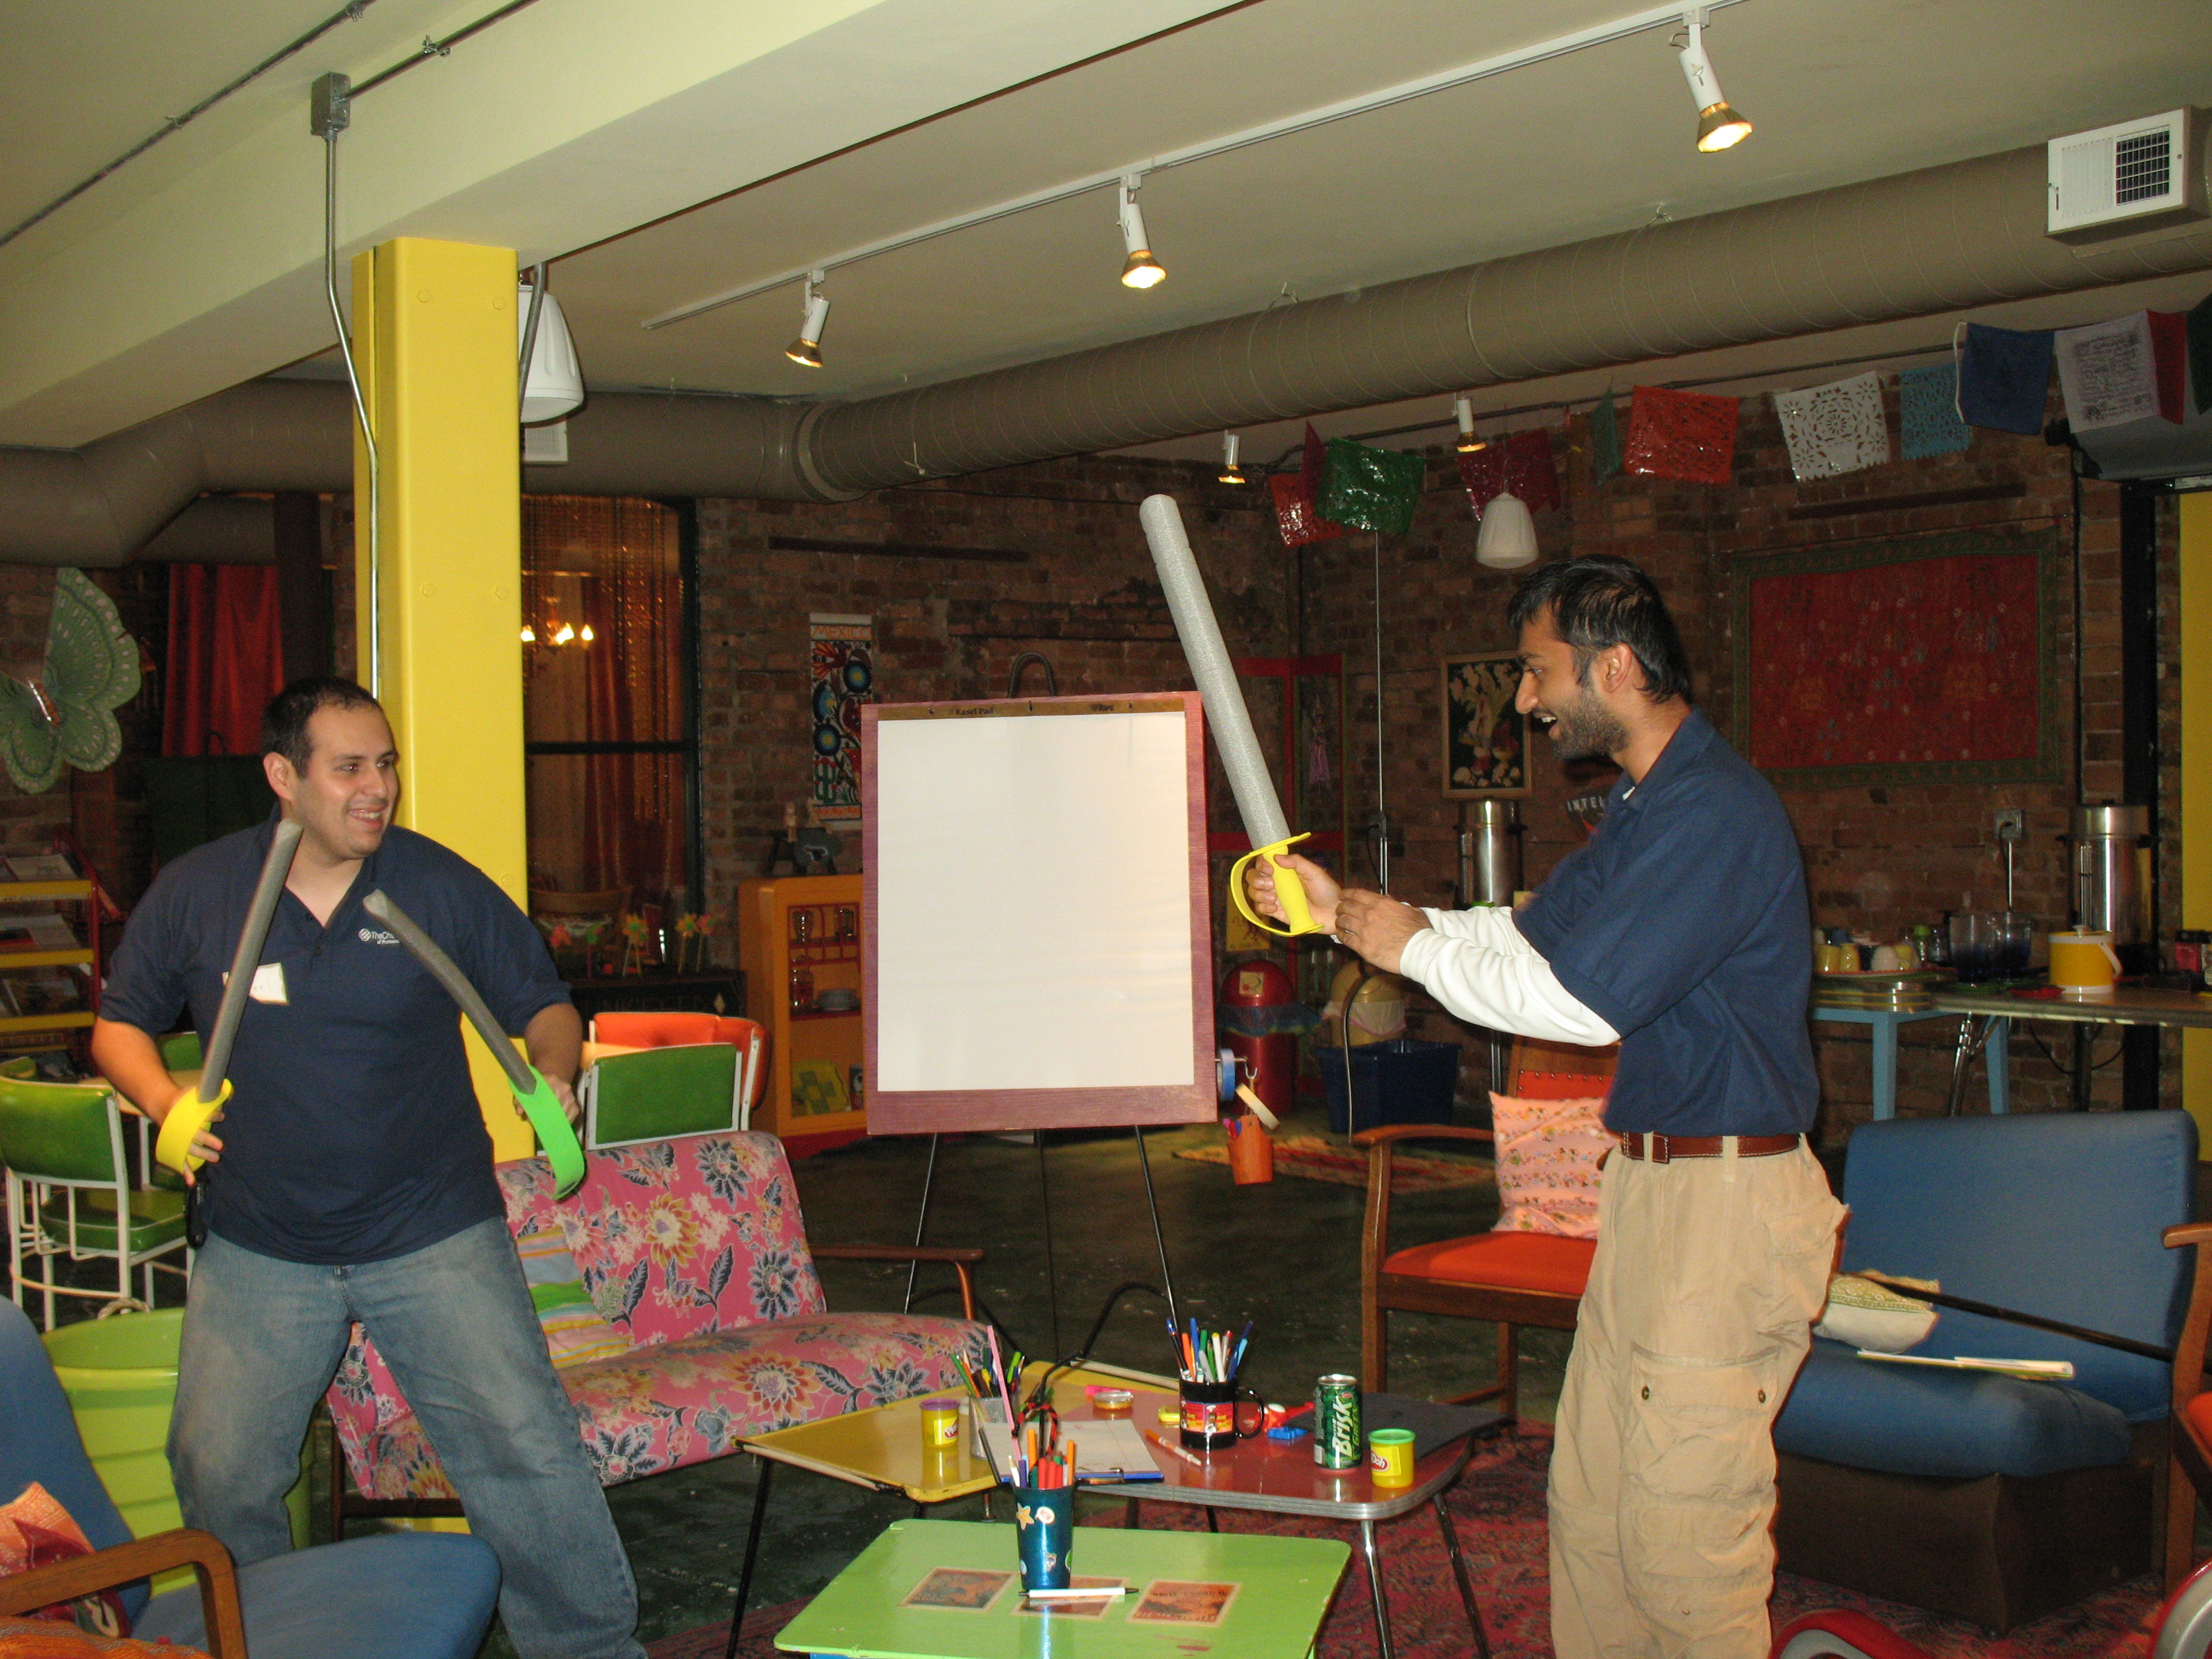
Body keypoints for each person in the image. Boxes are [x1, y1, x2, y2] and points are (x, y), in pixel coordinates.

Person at [1248, 555, 1842, 1659]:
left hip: (1725, 1208)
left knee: (1681, 1541)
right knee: (1596, 1512)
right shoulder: (1648, 807)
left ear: (1613, 668)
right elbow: (1520, 940)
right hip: (1658, 1194)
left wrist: (1407, 950)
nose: (1525, 699)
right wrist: (1349, 916)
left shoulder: (1713, 813)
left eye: (1537, 670)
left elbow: (1575, 1005)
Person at [92, 677, 644, 1659]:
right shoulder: (203, 892)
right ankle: (260, 1639)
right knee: (220, 1470)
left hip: (432, 1229)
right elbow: (118, 1028)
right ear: (284, 776)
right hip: (262, 1240)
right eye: (348, 768)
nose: (378, 787)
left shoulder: (432, 884)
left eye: (384, 764)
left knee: (524, 1456)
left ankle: (591, 1650)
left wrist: (552, 1075)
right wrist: (166, 1103)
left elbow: (544, 1005)